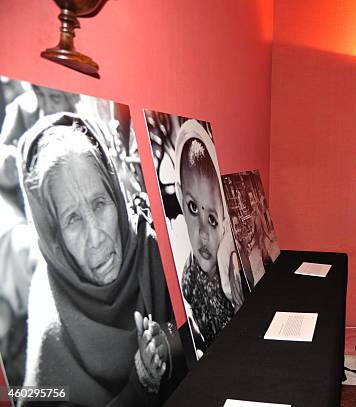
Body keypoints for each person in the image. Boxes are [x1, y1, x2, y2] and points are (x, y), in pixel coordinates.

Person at [19, 113, 180, 406]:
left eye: (100, 203)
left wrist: (169, 343)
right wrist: (141, 383)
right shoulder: (50, 321)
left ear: (116, 197)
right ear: (54, 237)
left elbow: (203, 333)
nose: (96, 237)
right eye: (73, 220)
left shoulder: (150, 251)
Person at [174, 121, 244, 355]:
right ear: (181, 199)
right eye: (194, 207)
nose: (203, 233)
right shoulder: (188, 277)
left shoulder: (231, 271)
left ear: (224, 220)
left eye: (212, 219)